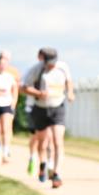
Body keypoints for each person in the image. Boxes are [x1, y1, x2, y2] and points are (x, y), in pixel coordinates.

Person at [24, 48, 74, 187]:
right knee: (43, 142)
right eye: (49, 62)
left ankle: (57, 174)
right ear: (43, 60)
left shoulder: (63, 67)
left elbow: (69, 82)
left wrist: (70, 93)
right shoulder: (36, 70)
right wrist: (39, 93)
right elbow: (24, 87)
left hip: (57, 107)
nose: (52, 65)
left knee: (58, 140)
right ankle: (43, 164)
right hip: (40, 108)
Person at [22, 50, 48, 176]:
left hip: (49, 108)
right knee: (36, 137)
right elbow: (23, 87)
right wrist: (37, 93)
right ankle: (32, 157)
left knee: (50, 138)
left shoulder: (54, 72)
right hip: (32, 107)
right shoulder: (31, 71)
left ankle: (47, 165)